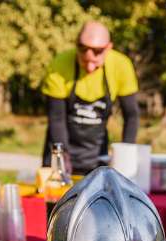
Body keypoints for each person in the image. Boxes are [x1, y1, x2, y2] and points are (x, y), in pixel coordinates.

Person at [41, 20, 140, 175]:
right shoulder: (59, 65)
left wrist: (125, 156)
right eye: (84, 61)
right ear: (77, 47)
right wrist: (62, 155)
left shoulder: (121, 65)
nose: (89, 68)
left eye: (95, 61)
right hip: (59, 146)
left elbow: (131, 115)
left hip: (96, 152)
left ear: (108, 48)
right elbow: (56, 117)